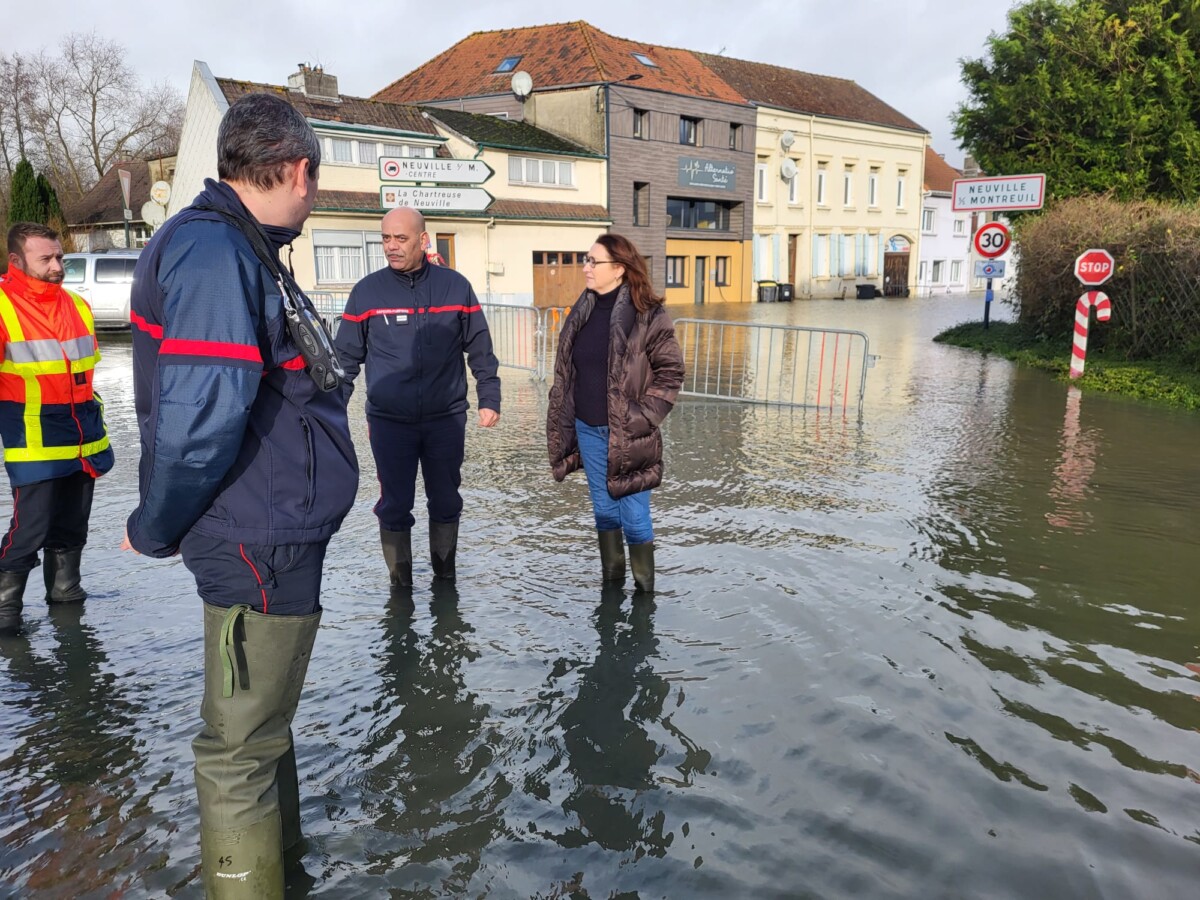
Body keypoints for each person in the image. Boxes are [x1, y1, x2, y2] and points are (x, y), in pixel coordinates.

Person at [122, 93, 358, 898]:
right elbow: (198, 419)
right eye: (314, 179)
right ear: (297, 170)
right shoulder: (215, 254)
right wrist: (154, 528)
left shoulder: (244, 247)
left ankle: (282, 875)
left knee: (260, 735)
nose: (314, 193)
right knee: (237, 752)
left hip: (273, 528)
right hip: (252, 538)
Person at [335, 207, 500, 591]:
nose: (391, 247)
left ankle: (445, 581)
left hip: (446, 419)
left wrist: (489, 397)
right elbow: (344, 361)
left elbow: (480, 348)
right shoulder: (366, 293)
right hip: (390, 423)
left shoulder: (455, 287)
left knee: (445, 501)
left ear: (423, 240)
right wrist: (329, 413)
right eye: (385, 238)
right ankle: (401, 588)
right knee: (394, 506)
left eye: (401, 238)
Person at [546, 234, 684, 595]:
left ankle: (644, 602)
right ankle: (611, 591)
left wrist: (641, 418)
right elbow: (569, 371)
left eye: (594, 261)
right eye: (586, 259)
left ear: (619, 269)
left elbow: (671, 374)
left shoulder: (649, 315)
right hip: (589, 430)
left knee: (635, 520)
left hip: (632, 434)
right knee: (605, 514)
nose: (586, 267)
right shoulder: (584, 309)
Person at [0, 223, 113, 635]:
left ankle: (66, 598)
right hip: (33, 440)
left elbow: (85, 377)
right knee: (29, 529)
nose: (56, 266)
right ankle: (5, 613)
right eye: (45, 259)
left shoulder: (77, 306)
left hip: (84, 436)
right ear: (17, 261)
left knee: (72, 526)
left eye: (59, 257)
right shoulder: (2, 307)